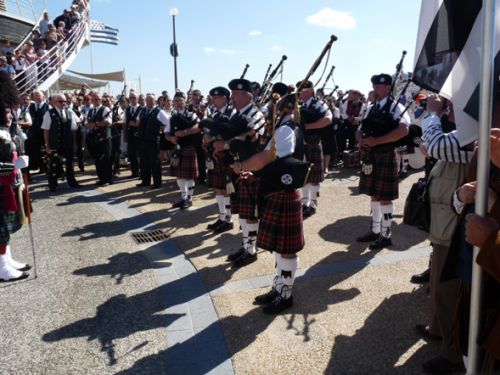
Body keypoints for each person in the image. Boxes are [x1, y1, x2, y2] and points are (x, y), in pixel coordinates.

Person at [231, 93, 305, 313]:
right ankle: (280, 286)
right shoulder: (285, 128)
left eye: (272, 108)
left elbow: (266, 159)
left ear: (279, 109)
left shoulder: (285, 130)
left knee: (286, 250)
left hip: (284, 194)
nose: (268, 113)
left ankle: (286, 294)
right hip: (276, 191)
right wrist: (257, 176)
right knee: (279, 248)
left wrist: (243, 166)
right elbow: (276, 164)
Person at [213, 78, 265, 267]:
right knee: (243, 212)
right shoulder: (236, 114)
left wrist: (225, 144)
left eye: (235, 93)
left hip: (251, 168)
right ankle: (246, 246)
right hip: (237, 166)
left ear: (246, 95)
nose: (232, 97)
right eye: (232, 93)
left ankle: (251, 250)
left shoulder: (256, 115)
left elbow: (252, 139)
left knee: (250, 213)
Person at [355, 73, 410, 250]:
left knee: (385, 197)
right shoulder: (371, 108)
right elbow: (360, 128)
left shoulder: (396, 107)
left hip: (385, 154)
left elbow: (403, 131)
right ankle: (376, 230)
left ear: (388, 87)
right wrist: (360, 140)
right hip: (370, 155)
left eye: (378, 87)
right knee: (373, 194)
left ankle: (386, 235)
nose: (375, 89)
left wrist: (377, 141)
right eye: (374, 86)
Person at [297, 80, 333, 218]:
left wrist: (308, 127)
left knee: (314, 177)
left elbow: (328, 119)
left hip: (313, 141)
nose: (300, 93)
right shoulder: (298, 104)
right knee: (303, 174)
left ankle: (313, 204)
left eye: (303, 90)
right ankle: (304, 203)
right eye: (300, 91)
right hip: (301, 142)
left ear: (311, 90)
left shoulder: (319, 103)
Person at [204, 86, 236, 233]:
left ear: (225, 98)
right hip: (214, 154)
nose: (214, 100)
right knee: (217, 188)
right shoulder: (215, 113)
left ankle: (228, 219)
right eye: (213, 98)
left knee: (225, 189)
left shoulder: (232, 113)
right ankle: (222, 216)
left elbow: (234, 134)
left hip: (226, 155)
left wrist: (221, 144)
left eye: (217, 98)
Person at [165, 92, 200, 206]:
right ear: (173, 103)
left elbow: (198, 127)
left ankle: (189, 199)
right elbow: (167, 133)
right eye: (176, 101)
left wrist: (185, 132)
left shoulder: (191, 115)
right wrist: (171, 139)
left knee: (188, 176)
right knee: (179, 175)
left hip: (189, 147)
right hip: (178, 149)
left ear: (185, 103)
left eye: (180, 100)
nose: (178, 103)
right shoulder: (172, 118)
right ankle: (183, 197)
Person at [41, 93, 80, 192]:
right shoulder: (49, 113)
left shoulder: (70, 112)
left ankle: (72, 182)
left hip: (67, 143)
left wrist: (74, 143)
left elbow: (73, 130)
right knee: (53, 165)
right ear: (54, 103)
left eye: (65, 101)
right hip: (55, 144)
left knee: (70, 164)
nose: (64, 103)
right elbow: (46, 130)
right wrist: (47, 145)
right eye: (61, 101)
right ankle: (53, 184)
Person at [137, 93, 170, 189]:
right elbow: (139, 121)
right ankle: (145, 181)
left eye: (151, 100)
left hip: (153, 141)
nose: (149, 102)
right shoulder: (143, 110)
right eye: (147, 100)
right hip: (143, 140)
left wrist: (163, 130)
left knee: (155, 163)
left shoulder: (159, 111)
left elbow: (168, 122)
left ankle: (157, 183)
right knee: (144, 162)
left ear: (155, 101)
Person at [86, 93, 112, 186]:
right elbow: (86, 124)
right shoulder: (90, 111)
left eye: (98, 99)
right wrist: (91, 125)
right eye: (95, 99)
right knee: (97, 159)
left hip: (104, 138)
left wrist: (96, 124)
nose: (97, 101)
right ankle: (101, 179)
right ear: (91, 101)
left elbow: (108, 122)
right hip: (95, 139)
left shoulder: (105, 109)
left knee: (106, 159)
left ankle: (107, 180)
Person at [123, 90, 142, 178]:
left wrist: (135, 124)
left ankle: (142, 172)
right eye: (131, 97)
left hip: (140, 136)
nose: (132, 99)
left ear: (137, 99)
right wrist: (125, 136)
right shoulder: (127, 110)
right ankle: (134, 173)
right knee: (131, 154)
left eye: (134, 97)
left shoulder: (142, 109)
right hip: (130, 135)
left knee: (141, 155)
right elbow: (124, 123)